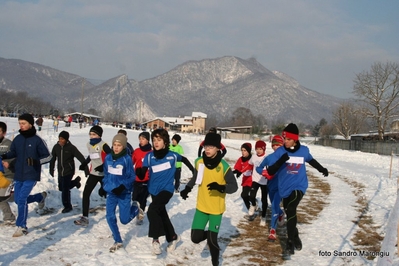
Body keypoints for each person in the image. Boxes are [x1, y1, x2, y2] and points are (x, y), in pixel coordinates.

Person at [266, 123, 328, 255]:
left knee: (291, 208)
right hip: (284, 187)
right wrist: (281, 161)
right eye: (284, 139)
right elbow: (270, 170)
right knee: (290, 213)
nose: (285, 142)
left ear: (295, 139)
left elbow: (311, 161)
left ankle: (289, 242)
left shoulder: (304, 151)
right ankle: (295, 235)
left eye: (288, 139)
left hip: (299, 186)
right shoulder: (280, 152)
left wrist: (322, 169)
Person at [180, 132, 238, 266]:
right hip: (201, 207)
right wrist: (187, 189)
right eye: (206, 146)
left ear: (218, 148)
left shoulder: (224, 166)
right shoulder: (199, 162)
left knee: (212, 242)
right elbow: (196, 178)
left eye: (211, 147)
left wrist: (221, 187)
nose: (207, 149)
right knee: (195, 238)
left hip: (216, 210)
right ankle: (211, 235)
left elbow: (234, 187)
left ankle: (215, 262)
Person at [136, 128, 195, 255]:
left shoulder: (172, 155)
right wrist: (139, 172)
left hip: (167, 190)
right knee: (161, 214)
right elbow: (142, 173)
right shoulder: (149, 156)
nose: (156, 142)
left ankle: (155, 240)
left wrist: (193, 171)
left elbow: (183, 159)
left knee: (152, 210)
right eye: (154, 140)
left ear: (165, 142)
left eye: (159, 140)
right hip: (153, 189)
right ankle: (173, 237)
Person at [1, 113, 51, 237]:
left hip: (31, 174)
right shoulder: (17, 139)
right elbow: (13, 152)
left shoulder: (37, 140)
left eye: (23, 123)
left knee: (22, 199)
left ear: (30, 124)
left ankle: (21, 226)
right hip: (19, 174)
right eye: (19, 123)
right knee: (18, 200)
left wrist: (36, 162)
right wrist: (4, 156)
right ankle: (39, 197)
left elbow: (48, 157)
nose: (21, 126)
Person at [103, 133, 140, 252]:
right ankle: (118, 240)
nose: (116, 147)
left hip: (124, 193)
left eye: (119, 145)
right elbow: (106, 174)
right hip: (112, 193)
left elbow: (132, 176)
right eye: (114, 145)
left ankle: (135, 208)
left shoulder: (126, 159)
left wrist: (123, 186)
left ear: (123, 146)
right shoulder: (108, 158)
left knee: (124, 220)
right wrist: (104, 186)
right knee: (109, 216)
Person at [74, 125, 111, 226]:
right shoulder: (88, 144)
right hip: (94, 173)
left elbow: (111, 157)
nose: (91, 136)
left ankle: (119, 208)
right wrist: (85, 163)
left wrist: (103, 166)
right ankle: (85, 217)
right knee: (86, 193)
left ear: (99, 135)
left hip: (104, 174)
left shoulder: (104, 145)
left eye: (94, 134)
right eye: (90, 134)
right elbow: (91, 155)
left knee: (107, 193)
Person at [255, 135, 286, 241]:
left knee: (273, 206)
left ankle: (273, 230)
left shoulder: (287, 157)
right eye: (274, 144)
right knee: (274, 204)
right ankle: (281, 214)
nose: (276, 146)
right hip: (270, 186)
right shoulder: (269, 158)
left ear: (283, 145)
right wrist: (264, 173)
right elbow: (258, 168)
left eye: (279, 144)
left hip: (281, 187)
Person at [49, 131, 87, 213]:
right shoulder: (56, 147)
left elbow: (81, 157)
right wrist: (51, 168)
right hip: (60, 171)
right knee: (61, 188)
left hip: (69, 171)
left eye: (62, 139)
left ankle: (67, 206)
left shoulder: (71, 148)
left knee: (65, 189)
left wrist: (86, 168)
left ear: (66, 140)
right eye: (59, 139)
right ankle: (76, 182)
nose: (60, 141)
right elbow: (52, 159)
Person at [131, 131, 152, 225]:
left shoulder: (152, 153)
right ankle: (136, 211)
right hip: (137, 179)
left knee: (143, 199)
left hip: (147, 179)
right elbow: (131, 162)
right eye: (140, 139)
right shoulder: (136, 151)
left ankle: (140, 215)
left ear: (147, 140)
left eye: (143, 139)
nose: (141, 141)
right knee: (135, 198)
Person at [247, 140, 268, 225]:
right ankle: (254, 205)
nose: (258, 151)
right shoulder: (254, 157)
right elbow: (250, 164)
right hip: (255, 180)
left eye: (260, 149)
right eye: (257, 149)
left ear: (264, 149)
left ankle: (263, 217)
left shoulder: (267, 157)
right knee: (251, 195)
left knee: (264, 200)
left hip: (265, 181)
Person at [0, 122, 16, 225]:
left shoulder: (9, 144)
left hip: (8, 175)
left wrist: (9, 163)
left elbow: (16, 158)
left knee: (1, 197)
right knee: (7, 197)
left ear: (4, 133)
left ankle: (9, 217)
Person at [232, 143, 253, 216]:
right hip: (245, 180)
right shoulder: (240, 159)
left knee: (244, 195)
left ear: (249, 151)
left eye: (245, 150)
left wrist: (240, 172)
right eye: (242, 150)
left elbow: (249, 168)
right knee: (244, 196)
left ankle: (251, 209)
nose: (243, 152)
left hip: (253, 180)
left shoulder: (252, 159)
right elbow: (237, 168)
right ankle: (251, 208)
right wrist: (233, 172)